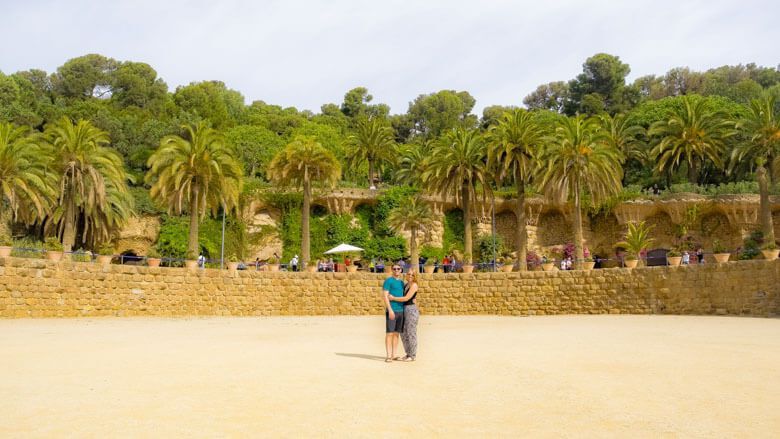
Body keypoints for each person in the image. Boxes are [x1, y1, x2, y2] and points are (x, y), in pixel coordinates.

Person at [388, 269, 419, 361]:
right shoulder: (406, 285)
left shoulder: (414, 285)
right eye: (408, 274)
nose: (410, 276)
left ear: (415, 276)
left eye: (412, 275)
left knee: (411, 333)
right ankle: (408, 353)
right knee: (403, 333)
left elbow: (406, 298)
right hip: (404, 310)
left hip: (411, 310)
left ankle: (412, 355)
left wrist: (393, 298)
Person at [382, 264, 405, 362]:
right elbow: (385, 296)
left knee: (396, 334)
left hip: (401, 311)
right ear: (391, 270)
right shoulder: (388, 281)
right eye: (394, 269)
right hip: (392, 311)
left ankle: (394, 355)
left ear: (401, 270)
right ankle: (388, 356)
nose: (396, 270)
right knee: (389, 333)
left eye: (398, 269)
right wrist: (390, 310)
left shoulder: (401, 282)